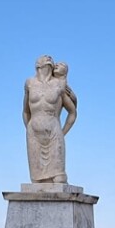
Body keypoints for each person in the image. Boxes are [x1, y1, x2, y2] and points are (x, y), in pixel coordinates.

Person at [24, 55, 77, 183]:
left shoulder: (58, 85)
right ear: (38, 65)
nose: (48, 57)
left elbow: (73, 112)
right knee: (36, 182)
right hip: (34, 134)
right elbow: (26, 111)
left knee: (59, 179)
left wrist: (62, 132)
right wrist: (30, 129)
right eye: (44, 57)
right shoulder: (29, 83)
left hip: (54, 132)